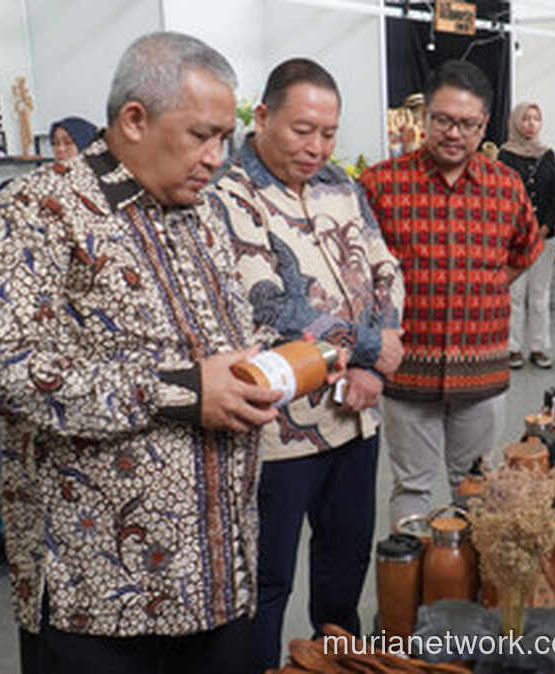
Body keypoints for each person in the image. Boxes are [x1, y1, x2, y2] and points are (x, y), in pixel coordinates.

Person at [0, 32, 326, 674]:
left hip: (219, 577)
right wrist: (178, 391)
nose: (215, 157)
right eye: (201, 135)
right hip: (104, 601)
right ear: (133, 119)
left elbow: (211, 346)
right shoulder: (37, 211)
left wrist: (273, 365)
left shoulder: (201, 213)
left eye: (224, 138)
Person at [206, 57, 405, 669]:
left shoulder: (341, 185)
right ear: (263, 116)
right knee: (266, 583)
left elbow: (384, 267)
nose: (316, 146)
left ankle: (339, 663)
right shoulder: (228, 192)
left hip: (355, 416)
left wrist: (375, 363)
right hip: (280, 431)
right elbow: (270, 304)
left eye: (328, 133)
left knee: (345, 565)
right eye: (302, 130)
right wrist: (369, 348)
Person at [360, 60, 541, 525]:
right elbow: (358, 271)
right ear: (424, 117)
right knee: (412, 487)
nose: (454, 133)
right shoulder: (380, 185)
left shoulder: (505, 186)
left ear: (484, 125)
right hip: (408, 372)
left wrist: (483, 287)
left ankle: (473, 572)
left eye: (467, 124)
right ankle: (409, 571)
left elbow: (526, 249)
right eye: (442, 120)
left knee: (477, 487)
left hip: (481, 369)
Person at [498, 102, 555, 370]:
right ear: (515, 122)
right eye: (525, 118)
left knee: (539, 293)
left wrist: (545, 226)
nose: (531, 124)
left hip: (544, 236)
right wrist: (518, 229)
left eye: (536, 118)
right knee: (515, 293)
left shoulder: (547, 154)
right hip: (514, 237)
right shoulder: (505, 155)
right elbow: (501, 195)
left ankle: (539, 347)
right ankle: (512, 347)